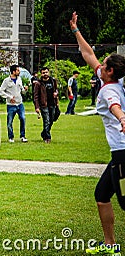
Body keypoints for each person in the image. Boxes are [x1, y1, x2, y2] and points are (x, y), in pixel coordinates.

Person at [70, 12, 125, 256]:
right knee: (102, 195)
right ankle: (111, 245)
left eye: (103, 65)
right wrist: (75, 30)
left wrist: (122, 117)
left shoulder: (107, 92)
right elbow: (88, 54)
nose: (98, 66)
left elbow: (115, 107)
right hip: (119, 154)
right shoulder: (111, 81)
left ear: (110, 71)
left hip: (123, 153)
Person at [0, 64, 29, 143]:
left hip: (20, 103)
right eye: (17, 70)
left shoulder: (19, 79)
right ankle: (11, 137)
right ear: (13, 71)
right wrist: (9, 97)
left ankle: (22, 136)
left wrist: (25, 90)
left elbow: (21, 90)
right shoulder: (6, 81)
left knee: (23, 118)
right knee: (10, 122)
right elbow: (1, 92)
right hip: (11, 105)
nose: (19, 72)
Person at [33, 67, 59, 144]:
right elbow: (36, 96)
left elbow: (56, 90)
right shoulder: (38, 83)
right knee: (46, 121)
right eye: (43, 73)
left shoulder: (53, 81)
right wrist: (37, 107)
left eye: (46, 72)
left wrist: (56, 93)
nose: (45, 74)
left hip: (52, 103)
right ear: (41, 74)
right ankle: (47, 137)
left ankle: (44, 132)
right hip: (44, 104)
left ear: (49, 73)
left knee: (51, 120)